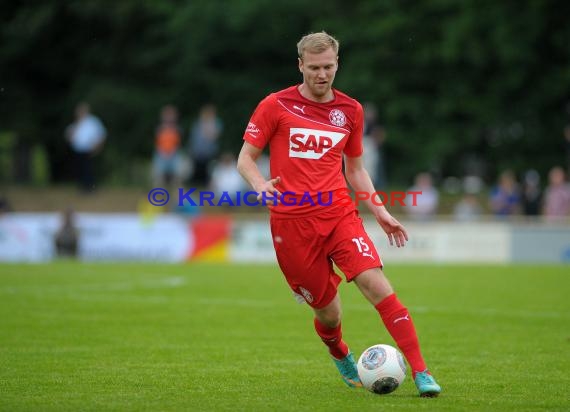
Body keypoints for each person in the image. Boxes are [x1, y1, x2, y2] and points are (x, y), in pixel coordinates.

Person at [236, 31, 441, 397]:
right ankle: (339, 351)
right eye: (313, 67)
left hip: (338, 215)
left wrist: (379, 211)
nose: (321, 74)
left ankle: (422, 372)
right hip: (292, 226)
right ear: (300, 65)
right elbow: (245, 158)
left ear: (337, 64)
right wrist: (259, 184)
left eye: (328, 66)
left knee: (377, 286)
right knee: (329, 314)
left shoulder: (350, 111)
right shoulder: (275, 105)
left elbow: (356, 169)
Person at [65, 102, 106, 193]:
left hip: (88, 149)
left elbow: (101, 134)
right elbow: (69, 135)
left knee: (88, 169)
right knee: (79, 169)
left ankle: (90, 187)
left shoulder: (93, 121)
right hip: (77, 150)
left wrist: (98, 146)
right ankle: (82, 187)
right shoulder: (76, 123)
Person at [152, 105, 189, 188]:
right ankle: (157, 194)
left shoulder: (178, 129)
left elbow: (178, 143)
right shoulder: (159, 129)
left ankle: (179, 196)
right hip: (161, 153)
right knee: (158, 176)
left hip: (174, 154)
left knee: (178, 176)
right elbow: (158, 143)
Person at [189, 104, 223, 186]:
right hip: (197, 152)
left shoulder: (216, 123)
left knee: (209, 170)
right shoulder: (198, 123)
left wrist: (209, 124)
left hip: (210, 152)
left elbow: (213, 136)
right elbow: (193, 138)